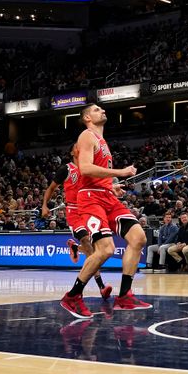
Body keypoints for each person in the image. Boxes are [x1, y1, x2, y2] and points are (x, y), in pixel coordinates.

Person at [60, 103, 150, 317]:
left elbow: (94, 175)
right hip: (91, 199)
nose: (103, 111)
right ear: (87, 118)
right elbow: (85, 168)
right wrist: (120, 172)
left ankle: (125, 296)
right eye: (97, 110)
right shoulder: (86, 135)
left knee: (138, 238)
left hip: (106, 196)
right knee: (106, 249)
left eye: (102, 109)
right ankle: (73, 296)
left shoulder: (102, 141)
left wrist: (111, 185)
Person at [43, 144, 112, 299]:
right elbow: (51, 188)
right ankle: (101, 286)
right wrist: (44, 205)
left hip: (89, 208)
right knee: (89, 245)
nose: (80, 148)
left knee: (96, 248)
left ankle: (75, 247)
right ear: (73, 152)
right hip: (74, 211)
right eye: (77, 146)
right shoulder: (66, 169)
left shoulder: (90, 168)